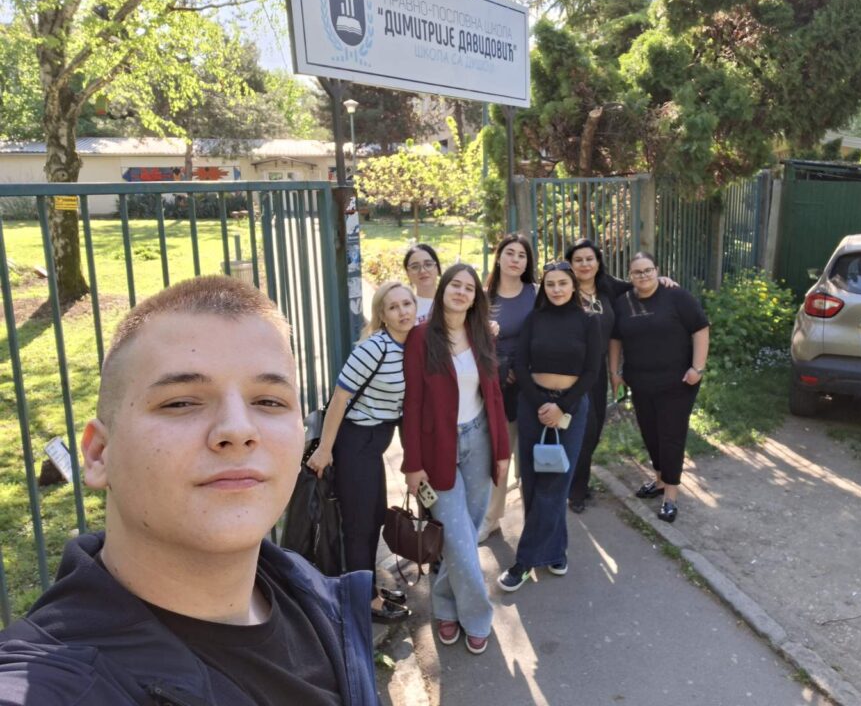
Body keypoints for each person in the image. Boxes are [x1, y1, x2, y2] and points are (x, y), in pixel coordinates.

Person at [0, 276, 378, 706]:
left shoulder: (322, 599)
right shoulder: (50, 684)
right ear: (100, 454)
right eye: (180, 402)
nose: (238, 429)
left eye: (269, 401)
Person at [401, 264, 510, 655]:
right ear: (444, 289)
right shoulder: (419, 338)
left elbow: (493, 394)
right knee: (458, 539)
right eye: (456, 285)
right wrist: (413, 463)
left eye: (469, 288)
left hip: (480, 438)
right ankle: (478, 617)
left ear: (475, 297)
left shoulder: (482, 334)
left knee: (467, 532)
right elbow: (412, 405)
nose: (462, 292)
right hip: (437, 447)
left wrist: (502, 451)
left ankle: (445, 607)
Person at [306, 281, 417, 624]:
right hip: (354, 441)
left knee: (373, 518)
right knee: (360, 524)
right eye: (393, 307)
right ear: (382, 314)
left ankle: (366, 588)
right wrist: (325, 449)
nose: (402, 312)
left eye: (407, 304)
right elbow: (340, 398)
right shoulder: (375, 348)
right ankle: (364, 601)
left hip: (374, 444)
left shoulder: (412, 345)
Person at [498, 261, 602, 592]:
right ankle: (555, 549)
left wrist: (561, 406)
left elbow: (592, 372)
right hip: (533, 406)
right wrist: (540, 403)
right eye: (550, 284)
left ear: (573, 286)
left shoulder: (589, 321)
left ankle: (524, 561)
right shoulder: (535, 319)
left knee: (555, 483)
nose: (556, 289)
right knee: (533, 479)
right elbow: (520, 365)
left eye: (562, 283)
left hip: (570, 408)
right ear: (544, 287)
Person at [565, 238, 679, 513]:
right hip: (568, 373)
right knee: (581, 430)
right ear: (570, 264)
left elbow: (640, 284)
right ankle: (575, 491)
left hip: (596, 372)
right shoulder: (562, 287)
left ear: (598, 262)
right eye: (578, 260)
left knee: (593, 431)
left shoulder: (608, 286)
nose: (584, 264)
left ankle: (577, 483)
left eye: (589, 259)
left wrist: (660, 279)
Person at [609, 252, 710, 524]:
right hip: (640, 382)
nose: (643, 275)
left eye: (648, 270)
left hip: (678, 383)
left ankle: (671, 496)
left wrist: (697, 368)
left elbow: (700, 329)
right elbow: (615, 339)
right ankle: (660, 480)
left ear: (657, 270)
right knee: (650, 433)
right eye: (637, 272)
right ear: (630, 276)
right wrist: (614, 372)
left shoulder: (676, 296)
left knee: (671, 436)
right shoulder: (623, 302)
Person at [478, 234, 537, 542]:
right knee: (497, 454)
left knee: (529, 459)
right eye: (510, 253)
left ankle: (534, 522)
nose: (515, 259)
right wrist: (499, 368)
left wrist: (521, 369)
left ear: (528, 262)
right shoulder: (483, 297)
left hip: (530, 388)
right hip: (495, 389)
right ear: (499, 257)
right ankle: (491, 518)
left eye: (522, 255)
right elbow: (472, 340)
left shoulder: (536, 293)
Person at [404, 243, 441, 323]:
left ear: (437, 268)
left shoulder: (451, 301)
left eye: (428, 264)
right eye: (415, 267)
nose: (422, 271)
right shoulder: (406, 308)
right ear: (408, 273)